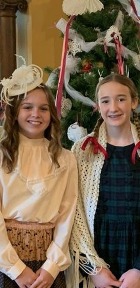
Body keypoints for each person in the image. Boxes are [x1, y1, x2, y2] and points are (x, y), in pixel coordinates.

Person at [0, 59, 78, 288]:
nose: (36, 114)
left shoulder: (65, 158)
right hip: (7, 262)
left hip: (48, 266)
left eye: (43, 108)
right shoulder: (3, 156)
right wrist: (16, 269)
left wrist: (51, 267)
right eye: (27, 107)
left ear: (51, 113)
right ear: (14, 113)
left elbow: (67, 215)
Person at [69, 73, 140, 288]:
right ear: (98, 106)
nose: (114, 107)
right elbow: (75, 212)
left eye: (121, 99)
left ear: (134, 102)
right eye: (105, 101)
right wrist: (94, 268)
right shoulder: (82, 151)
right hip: (99, 252)